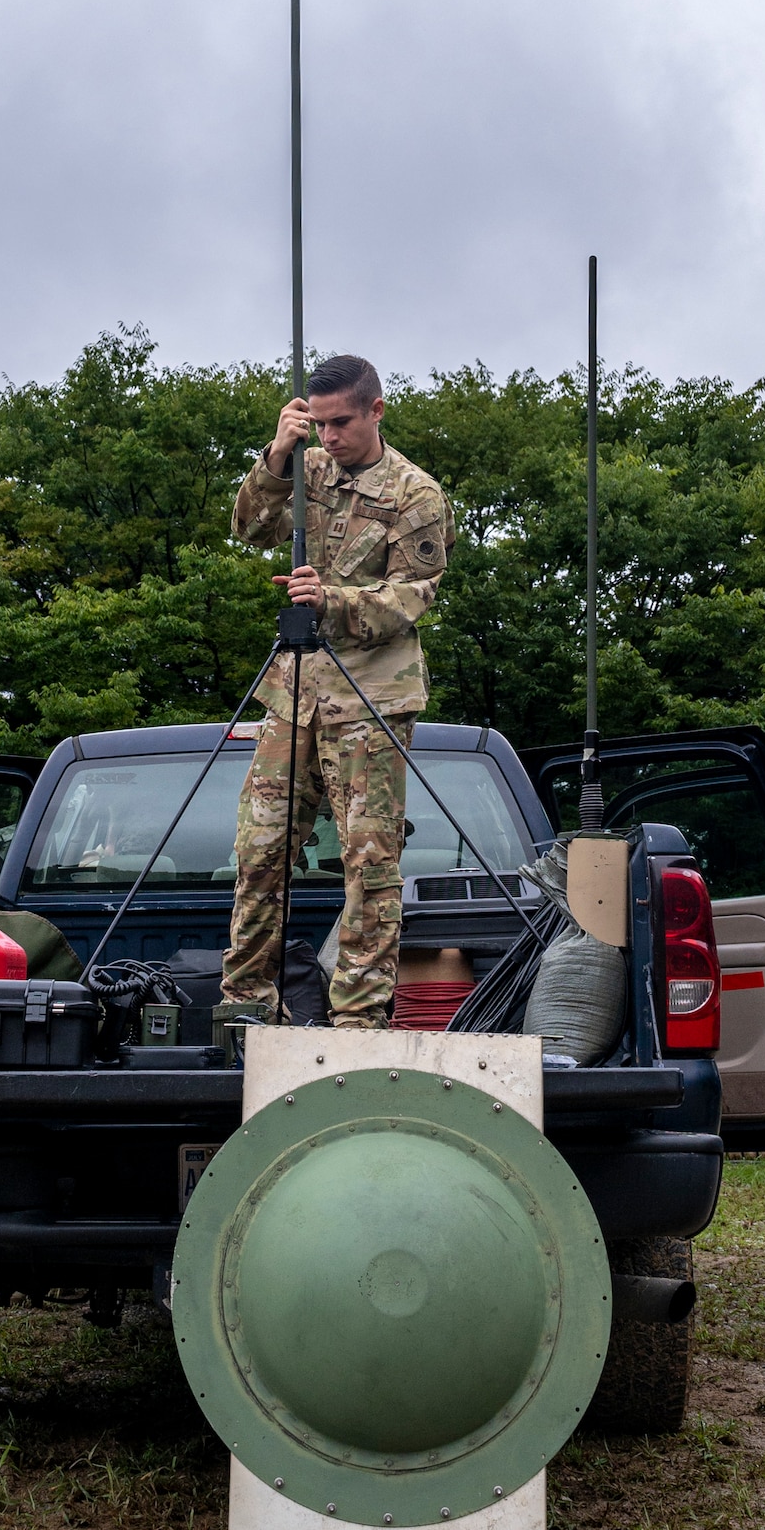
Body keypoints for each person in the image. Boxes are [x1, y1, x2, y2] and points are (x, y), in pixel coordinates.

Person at [216, 354, 453, 1032]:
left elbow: (413, 597)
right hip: (295, 695)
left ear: (376, 410)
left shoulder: (415, 494)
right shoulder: (307, 466)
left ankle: (357, 1026)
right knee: (260, 854)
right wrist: (275, 454)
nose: (329, 437)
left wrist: (332, 601)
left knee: (369, 867)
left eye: (340, 422)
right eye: (317, 424)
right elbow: (250, 529)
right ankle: (246, 1011)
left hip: (370, 699)